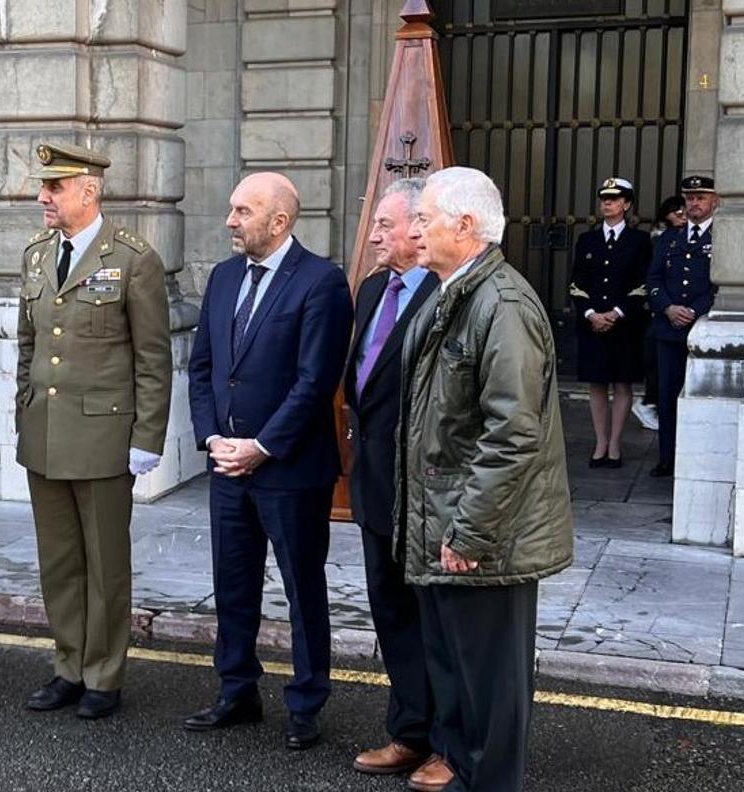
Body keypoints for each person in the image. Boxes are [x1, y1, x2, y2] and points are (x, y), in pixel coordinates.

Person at [399, 166, 573, 791]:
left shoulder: (502, 305)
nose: (415, 229)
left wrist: (468, 532)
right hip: (447, 526)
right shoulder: (453, 292)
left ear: (465, 226)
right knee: (460, 682)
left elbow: (513, 433)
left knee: (493, 695)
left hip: (484, 540)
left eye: (425, 218)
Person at [185, 172, 351, 750]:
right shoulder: (224, 277)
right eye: (232, 209)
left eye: (242, 211)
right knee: (232, 584)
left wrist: (262, 446)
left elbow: (314, 381)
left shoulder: (321, 282)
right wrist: (211, 439)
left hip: (290, 470)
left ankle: (306, 703)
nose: (230, 221)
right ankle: (237, 691)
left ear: (278, 221)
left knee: (303, 589)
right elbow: (202, 366)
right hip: (227, 465)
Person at [17, 143, 172, 720]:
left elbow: (153, 358)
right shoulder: (36, 256)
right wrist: (21, 416)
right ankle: (68, 666)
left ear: (89, 190)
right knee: (58, 562)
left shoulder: (133, 259)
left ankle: (104, 674)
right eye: (44, 187)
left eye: (54, 188)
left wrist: (147, 438)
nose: (43, 197)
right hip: (45, 435)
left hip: (104, 438)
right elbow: (28, 347)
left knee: (105, 565)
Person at [343, 179, 443, 786]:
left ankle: (447, 743)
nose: (373, 235)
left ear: (418, 228)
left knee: (434, 619)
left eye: (384, 223)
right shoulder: (373, 288)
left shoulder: (445, 291)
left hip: (425, 488)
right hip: (376, 482)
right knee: (391, 612)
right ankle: (409, 731)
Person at [568, 178, 653, 468]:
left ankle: (615, 443)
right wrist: (591, 313)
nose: (607, 203)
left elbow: (642, 285)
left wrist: (616, 313)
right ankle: (600, 442)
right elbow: (577, 284)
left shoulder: (639, 241)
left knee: (622, 383)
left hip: (625, 325)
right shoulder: (587, 240)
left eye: (615, 199)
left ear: (626, 204)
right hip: (593, 323)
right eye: (604, 198)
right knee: (597, 383)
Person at [647, 176, 719, 477]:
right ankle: (668, 458)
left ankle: (701, 458)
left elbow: (723, 284)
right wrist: (668, 307)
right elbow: (653, 279)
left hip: (703, 326)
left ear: (714, 201)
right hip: (669, 329)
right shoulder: (669, 238)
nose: (694, 203)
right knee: (667, 396)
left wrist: (694, 310)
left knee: (706, 398)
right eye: (689, 197)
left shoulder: (723, 237)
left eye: (701, 197)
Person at [632, 195, 686, 432]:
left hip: (670, 312)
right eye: (676, 211)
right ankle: (648, 403)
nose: (681, 215)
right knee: (656, 364)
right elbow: (653, 275)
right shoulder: (659, 238)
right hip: (656, 311)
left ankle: (651, 403)